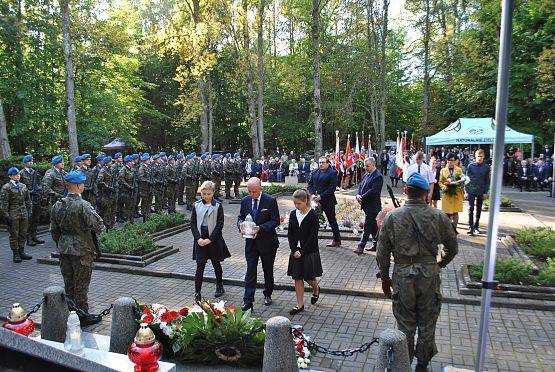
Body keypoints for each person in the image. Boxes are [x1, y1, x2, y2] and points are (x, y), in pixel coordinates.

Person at [376, 172, 458, 372]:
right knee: (428, 321)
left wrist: (385, 279)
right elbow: (452, 247)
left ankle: (403, 363)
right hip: (429, 273)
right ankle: (422, 365)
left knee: (405, 324)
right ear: (426, 193)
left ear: (405, 191)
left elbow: (382, 253)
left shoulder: (393, 217)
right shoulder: (438, 216)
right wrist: (439, 264)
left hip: (403, 274)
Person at [50, 170, 105, 326]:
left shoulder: (57, 205)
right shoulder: (83, 205)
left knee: (69, 283)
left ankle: (71, 312)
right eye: (82, 184)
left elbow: (53, 230)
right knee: (81, 285)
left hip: (64, 249)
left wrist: (63, 242)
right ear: (78, 185)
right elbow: (99, 226)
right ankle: (82, 316)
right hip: (81, 250)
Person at [237, 177, 280, 311]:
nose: (251, 194)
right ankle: (248, 301)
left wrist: (260, 228)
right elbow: (240, 217)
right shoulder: (245, 201)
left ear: (260, 188)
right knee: (250, 271)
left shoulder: (270, 200)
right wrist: (241, 226)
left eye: (254, 191)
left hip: (267, 242)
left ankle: (268, 293)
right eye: (249, 191)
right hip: (250, 243)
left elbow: (275, 221)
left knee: (268, 270)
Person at [191, 181, 230, 301]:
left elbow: (220, 224)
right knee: (200, 265)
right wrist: (198, 238)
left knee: (216, 263)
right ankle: (197, 292)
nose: (206, 196)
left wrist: (210, 239)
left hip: (214, 237)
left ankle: (219, 285)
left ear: (213, 193)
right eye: (203, 193)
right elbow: (192, 223)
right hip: (200, 237)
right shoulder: (196, 205)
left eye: (208, 193)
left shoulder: (218, 206)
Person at [287, 189, 322, 315]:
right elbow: (290, 233)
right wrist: (294, 249)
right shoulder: (293, 214)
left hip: (308, 251)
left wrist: (302, 251)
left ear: (305, 201)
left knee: (308, 277)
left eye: (298, 204)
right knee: (297, 277)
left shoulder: (312, 215)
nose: (296, 206)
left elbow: (313, 236)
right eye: (294, 203)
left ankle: (316, 288)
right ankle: (299, 304)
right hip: (295, 251)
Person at [308, 156, 341, 247]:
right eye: (319, 162)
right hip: (316, 201)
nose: (321, 164)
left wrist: (321, 196)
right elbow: (310, 185)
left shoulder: (332, 173)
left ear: (328, 163)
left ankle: (337, 240)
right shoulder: (315, 172)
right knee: (314, 221)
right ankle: (312, 239)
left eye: (323, 162)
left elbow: (332, 188)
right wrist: (312, 194)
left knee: (332, 221)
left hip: (328, 201)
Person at [1, 167, 32, 263]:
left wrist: (29, 212)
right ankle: (15, 253)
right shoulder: (6, 188)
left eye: (18, 174)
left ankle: (21, 251)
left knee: (23, 233)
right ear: (10, 176)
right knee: (14, 234)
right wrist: (6, 215)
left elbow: (28, 200)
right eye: (15, 174)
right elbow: (4, 203)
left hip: (23, 213)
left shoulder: (23, 186)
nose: (18, 175)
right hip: (13, 214)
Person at [353, 158, 383, 254]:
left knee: (367, 226)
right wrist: (358, 195)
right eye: (365, 166)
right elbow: (361, 186)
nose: (365, 168)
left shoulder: (378, 176)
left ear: (373, 165)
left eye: (367, 166)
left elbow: (374, 191)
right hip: (366, 204)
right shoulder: (366, 174)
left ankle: (361, 246)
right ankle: (377, 244)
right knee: (373, 226)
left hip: (373, 206)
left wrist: (362, 197)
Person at [19, 154, 45, 246]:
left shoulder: (34, 172)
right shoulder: (21, 173)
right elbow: (19, 187)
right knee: (29, 220)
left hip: (36, 199)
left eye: (32, 161)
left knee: (36, 219)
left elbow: (40, 183)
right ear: (25, 163)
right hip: (27, 200)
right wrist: (29, 192)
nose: (31, 162)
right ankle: (28, 238)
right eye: (29, 161)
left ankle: (34, 236)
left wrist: (38, 190)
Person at [465, 149, 490, 235]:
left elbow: (487, 181)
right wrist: (466, 191)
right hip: (471, 190)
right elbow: (466, 179)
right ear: (475, 157)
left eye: (481, 156)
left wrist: (486, 192)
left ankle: (476, 226)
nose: (479, 158)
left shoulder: (486, 167)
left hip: (481, 190)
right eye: (478, 156)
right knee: (470, 208)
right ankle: (471, 226)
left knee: (479, 209)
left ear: (484, 157)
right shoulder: (470, 166)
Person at [439, 153, 464, 227]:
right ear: (446, 161)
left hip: (457, 193)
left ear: (455, 161)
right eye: (449, 161)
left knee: (456, 212)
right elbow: (440, 182)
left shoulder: (459, 170)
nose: (451, 163)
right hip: (447, 194)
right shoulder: (443, 170)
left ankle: (454, 230)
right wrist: (444, 187)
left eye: (453, 161)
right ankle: (447, 230)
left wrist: (460, 185)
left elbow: (462, 180)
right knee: (447, 213)